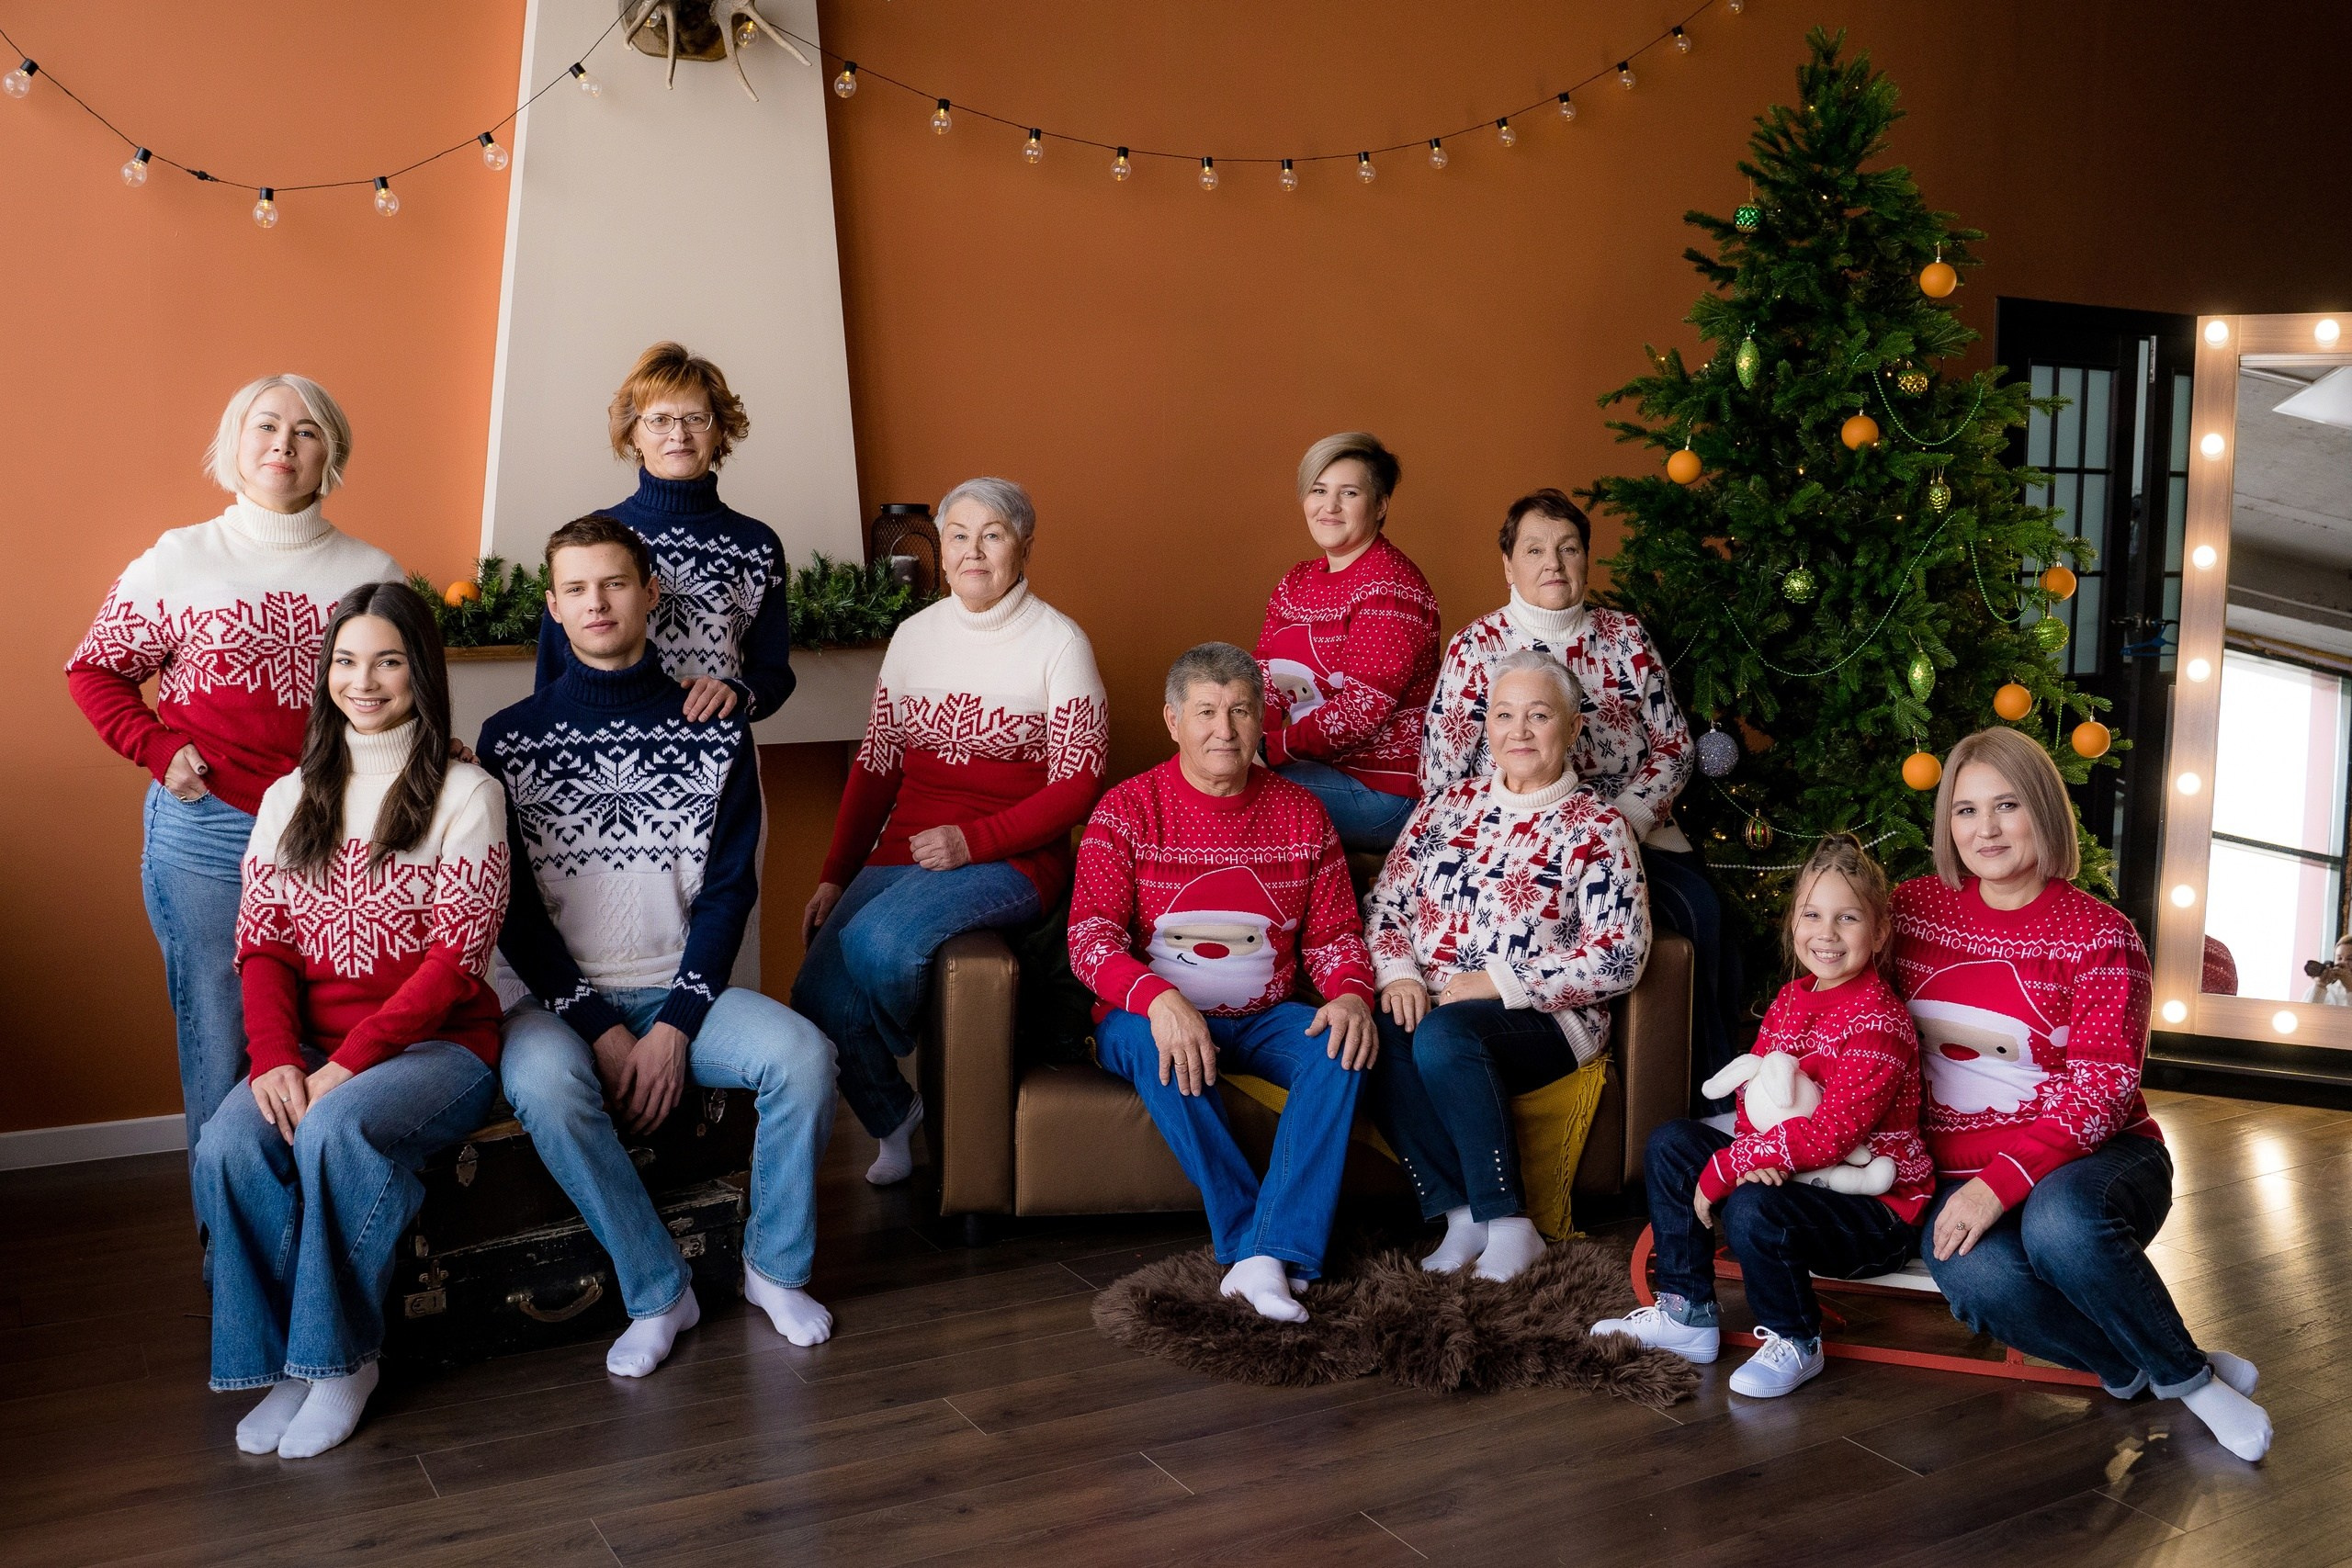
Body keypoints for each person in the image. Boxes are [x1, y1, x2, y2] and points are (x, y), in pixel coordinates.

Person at [487, 515, 839, 1375]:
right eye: (576, 588)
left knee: (802, 1055)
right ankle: (657, 1287)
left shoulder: (714, 726)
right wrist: (603, 1030)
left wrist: (677, 1023)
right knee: (539, 1079)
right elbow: (516, 914)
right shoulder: (509, 739)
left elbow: (728, 893)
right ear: (553, 607)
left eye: (614, 582)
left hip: (685, 989)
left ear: (650, 592)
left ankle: (773, 1267)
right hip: (559, 1004)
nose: (597, 602)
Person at [191, 581, 507, 1459]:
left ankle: (342, 1362)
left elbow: (456, 962)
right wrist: (273, 1059)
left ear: (423, 671)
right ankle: (287, 1363)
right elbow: (264, 947)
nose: (364, 681)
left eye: (390, 661)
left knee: (333, 1126)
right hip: (317, 1048)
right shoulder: (288, 797)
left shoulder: (466, 791)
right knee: (228, 1141)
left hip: (440, 1047)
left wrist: (346, 1064)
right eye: (347, 660)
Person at [1894, 728, 2271, 1461]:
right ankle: (2135, 1363)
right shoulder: (1911, 912)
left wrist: (1996, 1187)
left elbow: (2101, 1089)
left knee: (2059, 1226)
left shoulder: (2102, 935)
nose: (1986, 829)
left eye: (2006, 805)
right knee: (1973, 1274)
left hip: (2100, 1155)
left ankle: (2191, 1382)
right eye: (1966, 811)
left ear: (2043, 808)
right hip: (1955, 1167)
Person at [68, 375, 402, 1172]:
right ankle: (232, 1246)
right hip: (207, 833)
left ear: (332, 455)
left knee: (323, 1024)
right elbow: (95, 669)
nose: (284, 444)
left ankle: (310, 1220)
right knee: (221, 1037)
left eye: (307, 431)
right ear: (234, 445)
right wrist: (155, 748)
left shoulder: (372, 569)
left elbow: (399, 691)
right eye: (266, 427)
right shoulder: (179, 558)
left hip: (333, 829)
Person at [797, 478, 1108, 1184]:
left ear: (1024, 546)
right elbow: (876, 767)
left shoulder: (1060, 643)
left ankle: (921, 1044)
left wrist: (975, 841)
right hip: (906, 847)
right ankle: (896, 1116)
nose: (973, 551)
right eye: (959, 535)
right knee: (815, 995)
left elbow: (1078, 784)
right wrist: (836, 873)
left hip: (1013, 859)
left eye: (992, 534)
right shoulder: (914, 636)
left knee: (880, 943)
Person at [1069, 642, 1379, 1322]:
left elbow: (1332, 937)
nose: (1225, 729)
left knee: (1341, 1045)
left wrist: (1352, 991)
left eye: (1240, 710)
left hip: (1270, 1014)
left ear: (1261, 718)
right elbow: (1089, 940)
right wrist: (1162, 999)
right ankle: (1255, 1244)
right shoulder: (1126, 810)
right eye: (1206, 711)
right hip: (1145, 1018)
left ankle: (1266, 1255)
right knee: (1158, 1044)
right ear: (1172, 720)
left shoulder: (1301, 813)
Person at [1418, 489, 1741, 1100]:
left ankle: (1715, 1096)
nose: (1554, 564)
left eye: (1569, 548)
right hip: (1520, 847)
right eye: (1535, 549)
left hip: (1634, 831)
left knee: (1703, 911)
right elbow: (1442, 776)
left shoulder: (1624, 636)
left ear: (1587, 558)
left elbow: (1674, 745)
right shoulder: (1475, 648)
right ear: (1508, 564)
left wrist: (1624, 819)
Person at [1591, 834, 1933, 1398]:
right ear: (1793, 923)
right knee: (1673, 1142)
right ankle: (1687, 1313)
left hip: (1876, 1209)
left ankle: (1796, 1339)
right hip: (1801, 1173)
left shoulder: (1879, 1022)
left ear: (1878, 932)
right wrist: (1756, 1155)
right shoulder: (1792, 1000)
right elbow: (1758, 1101)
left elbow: (1833, 1134)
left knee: (1753, 1205)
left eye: (1847, 918)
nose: (1826, 934)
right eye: (1812, 914)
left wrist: (1733, 1170)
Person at [1364, 651, 1650, 1282]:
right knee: (1376, 1031)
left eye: (1539, 715)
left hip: (1547, 1019)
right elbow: (1384, 904)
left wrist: (1499, 983)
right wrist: (1401, 974)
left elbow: (1620, 953)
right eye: (1504, 714)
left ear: (1573, 729)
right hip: (1436, 1000)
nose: (1519, 731)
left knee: (1445, 1033)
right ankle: (1461, 1214)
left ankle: (1511, 1223)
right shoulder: (1445, 807)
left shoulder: (1598, 827)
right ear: (1487, 726)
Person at [534, 342, 795, 724]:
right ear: (633, 434)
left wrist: (737, 693)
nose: (679, 435)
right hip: (603, 749)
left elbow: (774, 674)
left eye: (695, 418)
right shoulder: (592, 540)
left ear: (720, 429)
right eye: (659, 420)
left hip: (716, 755)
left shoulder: (757, 545)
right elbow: (553, 673)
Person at [1253, 432, 1441, 852]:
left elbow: (1362, 709)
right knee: (1212, 773)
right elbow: (1262, 679)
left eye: (1349, 492)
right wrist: (1244, 740)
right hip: (1316, 768)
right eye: (1318, 490)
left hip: (1382, 792)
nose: (1329, 506)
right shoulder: (1296, 582)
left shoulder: (1391, 588)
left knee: (1234, 790)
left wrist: (1269, 749)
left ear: (1379, 505)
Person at [2301, 935, 2351, 1004]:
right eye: (2339, 958)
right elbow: (2306, 1013)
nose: (2342, 963)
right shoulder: (2329, 989)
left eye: (2350, 959)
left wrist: (2350, 988)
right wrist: (2320, 986)